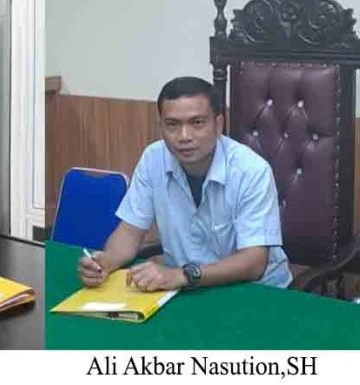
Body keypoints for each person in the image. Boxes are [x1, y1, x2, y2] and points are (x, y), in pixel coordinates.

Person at [78, 76, 292, 291]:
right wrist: (107, 261)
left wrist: (183, 275)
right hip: (185, 288)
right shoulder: (153, 159)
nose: (184, 136)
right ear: (161, 127)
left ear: (218, 125)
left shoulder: (251, 170)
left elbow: (254, 262)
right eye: (172, 125)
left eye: (197, 123)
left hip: (256, 290)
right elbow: (129, 231)